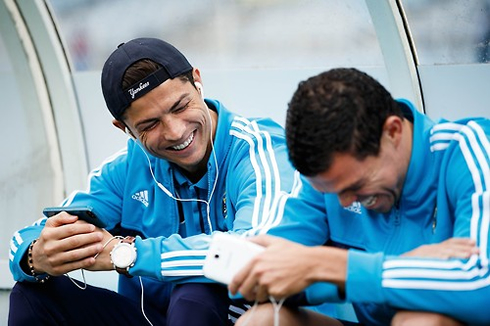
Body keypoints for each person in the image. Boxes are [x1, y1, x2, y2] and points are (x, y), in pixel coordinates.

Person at [8, 37, 298, 325]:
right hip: (152, 319)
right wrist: (36, 257)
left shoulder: (258, 150)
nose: (174, 131)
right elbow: (24, 239)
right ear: (124, 128)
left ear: (197, 81)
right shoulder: (125, 170)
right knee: (31, 296)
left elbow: (254, 252)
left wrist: (127, 254)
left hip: (246, 318)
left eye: (180, 107)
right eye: (150, 124)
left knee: (195, 292)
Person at [229, 68, 490, 325]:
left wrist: (331, 266)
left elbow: (481, 284)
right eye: (331, 192)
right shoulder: (331, 182)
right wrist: (394, 267)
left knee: (421, 320)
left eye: (357, 185)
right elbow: (255, 278)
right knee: (262, 320)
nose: (344, 202)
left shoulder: (469, 150)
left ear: (393, 132)